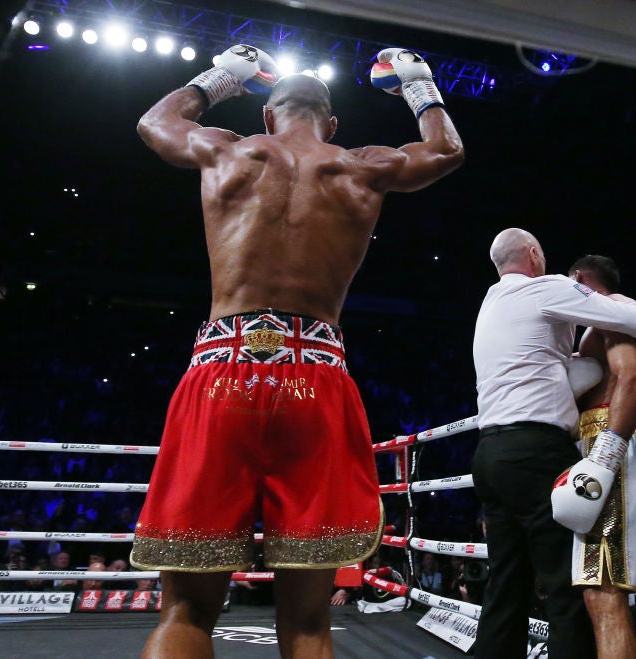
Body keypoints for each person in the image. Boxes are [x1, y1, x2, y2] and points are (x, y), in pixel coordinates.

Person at [129, 43, 463, 659]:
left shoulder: (228, 150)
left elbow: (154, 123)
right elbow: (446, 151)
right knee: (308, 621)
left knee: (188, 610)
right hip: (315, 378)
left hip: (221, 373)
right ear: (331, 124)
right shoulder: (358, 166)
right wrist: (418, 85)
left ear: (267, 116)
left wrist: (221, 77)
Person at [471, 231, 636, 658]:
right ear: (534, 255)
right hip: (538, 451)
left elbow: (618, 376)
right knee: (571, 586)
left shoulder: (490, 303)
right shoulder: (550, 288)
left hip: (492, 453)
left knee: (512, 584)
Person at [563, 254, 636, 659]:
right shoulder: (616, 318)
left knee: (604, 589)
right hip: (605, 445)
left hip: (611, 445)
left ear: (578, 279)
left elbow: (632, 377)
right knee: (598, 589)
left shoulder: (612, 313)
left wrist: (607, 450)